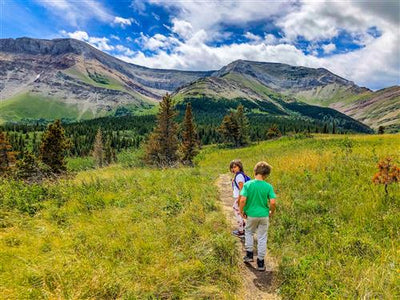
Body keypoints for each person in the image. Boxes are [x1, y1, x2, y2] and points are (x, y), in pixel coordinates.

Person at [239, 161, 276, 271]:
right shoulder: (268, 186)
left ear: (255, 172)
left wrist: (242, 211)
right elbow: (273, 202)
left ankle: (249, 255)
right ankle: (260, 262)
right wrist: (271, 212)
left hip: (251, 215)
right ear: (266, 175)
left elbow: (243, 200)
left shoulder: (248, 184)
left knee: (249, 232)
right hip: (264, 215)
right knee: (262, 237)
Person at [230, 159, 248, 237]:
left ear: (239, 167)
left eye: (235, 167)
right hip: (240, 197)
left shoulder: (239, 176)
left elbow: (242, 188)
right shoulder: (239, 175)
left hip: (240, 197)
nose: (233, 169)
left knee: (238, 213)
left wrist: (239, 200)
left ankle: (241, 231)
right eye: (232, 167)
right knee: (238, 211)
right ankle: (243, 226)